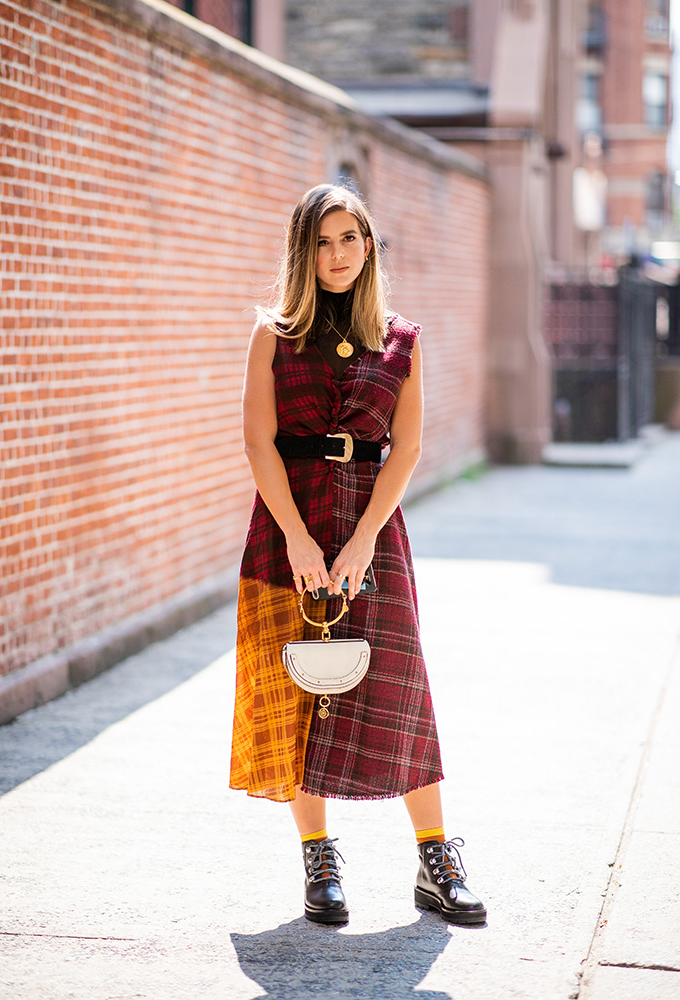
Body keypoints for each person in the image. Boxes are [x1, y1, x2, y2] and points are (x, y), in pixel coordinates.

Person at [229, 183, 486, 927]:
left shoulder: (401, 339)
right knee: (300, 695)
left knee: (402, 688)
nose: (336, 255)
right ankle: (319, 860)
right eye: (321, 241)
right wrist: (302, 540)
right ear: (301, 251)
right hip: (288, 526)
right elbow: (258, 442)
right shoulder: (272, 335)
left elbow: (404, 448)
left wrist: (366, 534)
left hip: (376, 528)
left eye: (349, 238)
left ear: (369, 245)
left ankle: (435, 860)